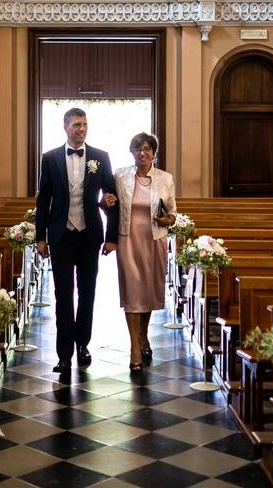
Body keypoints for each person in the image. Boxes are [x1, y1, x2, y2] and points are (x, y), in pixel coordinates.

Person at [35, 108, 118, 373]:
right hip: (60, 235)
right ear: (65, 127)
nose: (81, 129)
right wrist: (40, 238)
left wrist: (111, 236)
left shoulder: (100, 157)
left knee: (87, 292)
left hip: (89, 234)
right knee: (63, 295)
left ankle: (83, 344)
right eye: (76, 125)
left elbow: (111, 199)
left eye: (84, 124)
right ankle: (63, 354)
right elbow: (43, 200)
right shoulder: (49, 158)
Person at [102, 132, 177, 372]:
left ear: (154, 152)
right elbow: (109, 207)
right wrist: (105, 203)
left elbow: (173, 214)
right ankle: (135, 347)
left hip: (155, 239)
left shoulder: (165, 178)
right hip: (128, 240)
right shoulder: (121, 176)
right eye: (137, 149)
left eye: (146, 149)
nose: (142, 153)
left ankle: (144, 336)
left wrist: (167, 219)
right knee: (133, 294)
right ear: (131, 152)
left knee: (147, 294)